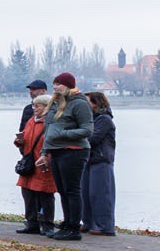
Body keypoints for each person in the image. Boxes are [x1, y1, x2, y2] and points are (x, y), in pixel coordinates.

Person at [38, 72, 92, 240]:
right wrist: (44, 152)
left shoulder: (79, 104)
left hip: (74, 151)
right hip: (56, 151)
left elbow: (87, 130)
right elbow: (49, 130)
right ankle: (67, 224)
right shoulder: (55, 103)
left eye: (59, 84)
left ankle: (74, 228)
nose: (55, 87)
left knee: (72, 190)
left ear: (69, 85)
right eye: (54, 84)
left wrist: (64, 134)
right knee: (62, 190)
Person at [15, 94, 56, 234]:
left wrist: (47, 158)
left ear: (46, 107)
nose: (34, 108)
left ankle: (48, 225)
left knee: (45, 194)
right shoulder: (31, 121)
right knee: (28, 193)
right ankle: (31, 223)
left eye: (38, 106)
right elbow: (26, 136)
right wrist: (19, 141)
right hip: (29, 163)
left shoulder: (51, 122)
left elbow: (54, 142)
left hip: (43, 163)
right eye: (34, 105)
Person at [83, 91, 116, 236]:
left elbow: (94, 138)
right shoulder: (90, 120)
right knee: (86, 193)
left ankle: (105, 226)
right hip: (89, 160)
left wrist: (76, 137)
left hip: (101, 160)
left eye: (87, 102)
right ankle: (88, 223)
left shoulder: (104, 119)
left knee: (101, 194)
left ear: (96, 103)